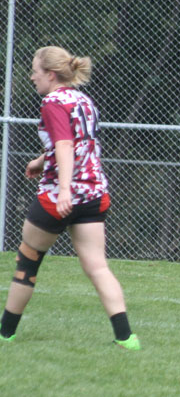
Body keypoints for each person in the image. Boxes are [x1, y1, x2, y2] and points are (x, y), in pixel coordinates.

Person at [0, 46, 140, 350]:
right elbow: (79, 142)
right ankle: (126, 338)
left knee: (27, 262)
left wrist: (64, 189)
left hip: (60, 196)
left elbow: (64, 145)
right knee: (97, 266)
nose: (32, 76)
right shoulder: (83, 100)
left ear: (51, 75)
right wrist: (41, 161)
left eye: (35, 71)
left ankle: (5, 334)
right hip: (93, 193)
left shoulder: (52, 102)